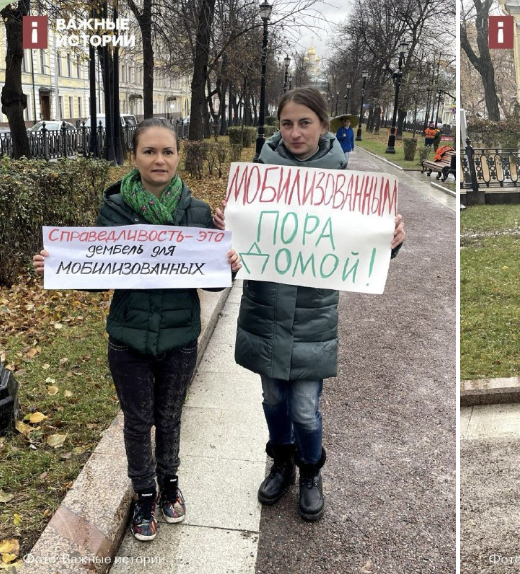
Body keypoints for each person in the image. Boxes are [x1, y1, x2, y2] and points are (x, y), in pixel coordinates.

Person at [32, 118, 242, 542]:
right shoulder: (113, 211)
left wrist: (229, 266)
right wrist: (59, 266)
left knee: (169, 419)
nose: (159, 159)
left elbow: (212, 280)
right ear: (134, 157)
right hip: (127, 339)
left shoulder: (197, 211)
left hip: (180, 338)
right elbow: (98, 273)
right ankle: (144, 495)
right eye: (149, 151)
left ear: (178, 156)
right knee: (136, 421)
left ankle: (170, 486)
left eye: (167, 151)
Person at [213, 87, 406, 522]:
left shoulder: (346, 184)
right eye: (287, 123)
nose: (295, 132)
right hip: (264, 310)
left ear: (323, 125)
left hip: (313, 319)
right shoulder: (256, 178)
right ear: (277, 127)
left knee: (304, 406)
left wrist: (390, 241)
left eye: (305, 123)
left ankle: (311, 471)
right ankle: (281, 462)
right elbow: (232, 252)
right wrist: (227, 230)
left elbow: (366, 249)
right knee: (273, 398)